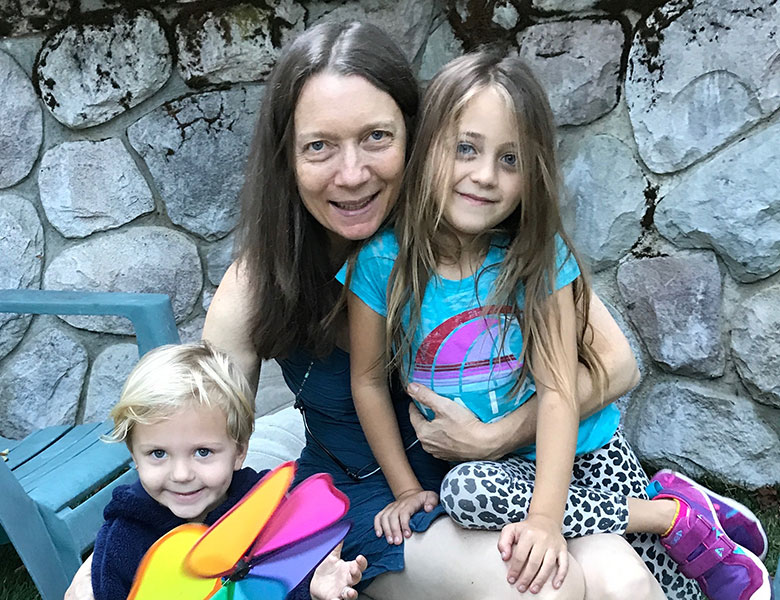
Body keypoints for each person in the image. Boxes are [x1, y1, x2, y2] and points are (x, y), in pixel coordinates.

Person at [65, 20, 665, 600]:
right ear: (287, 158)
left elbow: (616, 367)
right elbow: (194, 439)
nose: (351, 175)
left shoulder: (481, 233)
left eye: (376, 137)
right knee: (545, 590)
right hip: (379, 507)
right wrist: (103, 567)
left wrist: (499, 434)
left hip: (505, 482)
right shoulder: (261, 284)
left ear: (418, 136)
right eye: (319, 146)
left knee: (626, 584)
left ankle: (681, 523)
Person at [342, 50, 769, 600]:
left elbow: (559, 388)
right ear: (427, 149)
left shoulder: (534, 257)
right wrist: (403, 488)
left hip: (588, 457)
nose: (484, 176)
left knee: (652, 588)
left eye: (510, 160)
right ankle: (674, 517)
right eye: (466, 149)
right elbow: (368, 381)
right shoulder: (382, 262)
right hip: (502, 478)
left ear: (532, 173)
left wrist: (546, 519)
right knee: (466, 491)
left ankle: (676, 518)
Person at [90, 341, 366, 600]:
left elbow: (280, 581)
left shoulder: (266, 511)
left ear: (239, 451)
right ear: (135, 457)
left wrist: (311, 586)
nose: (182, 474)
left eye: (203, 452)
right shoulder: (122, 539)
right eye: (158, 454)